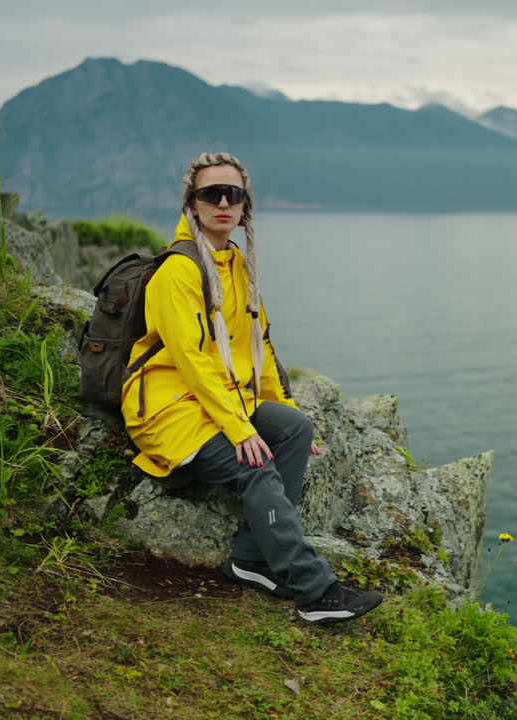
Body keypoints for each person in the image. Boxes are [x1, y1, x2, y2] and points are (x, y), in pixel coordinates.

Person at [121, 152, 382, 625]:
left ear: (244, 205)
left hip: (217, 404)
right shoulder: (178, 272)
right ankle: (315, 593)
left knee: (294, 429)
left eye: (233, 194)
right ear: (192, 203)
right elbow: (194, 363)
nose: (223, 201)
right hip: (170, 412)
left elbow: (258, 347)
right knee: (256, 463)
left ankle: (250, 560)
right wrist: (241, 432)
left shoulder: (236, 264)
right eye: (210, 194)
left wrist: (275, 408)